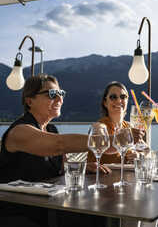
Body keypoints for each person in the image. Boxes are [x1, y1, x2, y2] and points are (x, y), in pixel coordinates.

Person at [0, 74, 108, 227]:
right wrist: (105, 140)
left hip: (47, 206)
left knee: (100, 213)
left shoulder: (51, 129)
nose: (59, 99)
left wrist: (82, 167)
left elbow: (60, 164)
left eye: (61, 93)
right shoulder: (20, 131)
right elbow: (59, 144)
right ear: (29, 100)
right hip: (18, 213)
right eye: (52, 94)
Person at [86, 81, 145, 173]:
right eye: (113, 97)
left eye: (123, 97)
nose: (118, 100)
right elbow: (100, 145)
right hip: (100, 178)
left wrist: (137, 155)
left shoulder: (129, 126)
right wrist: (125, 138)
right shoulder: (100, 126)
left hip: (123, 178)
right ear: (105, 102)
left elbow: (145, 150)